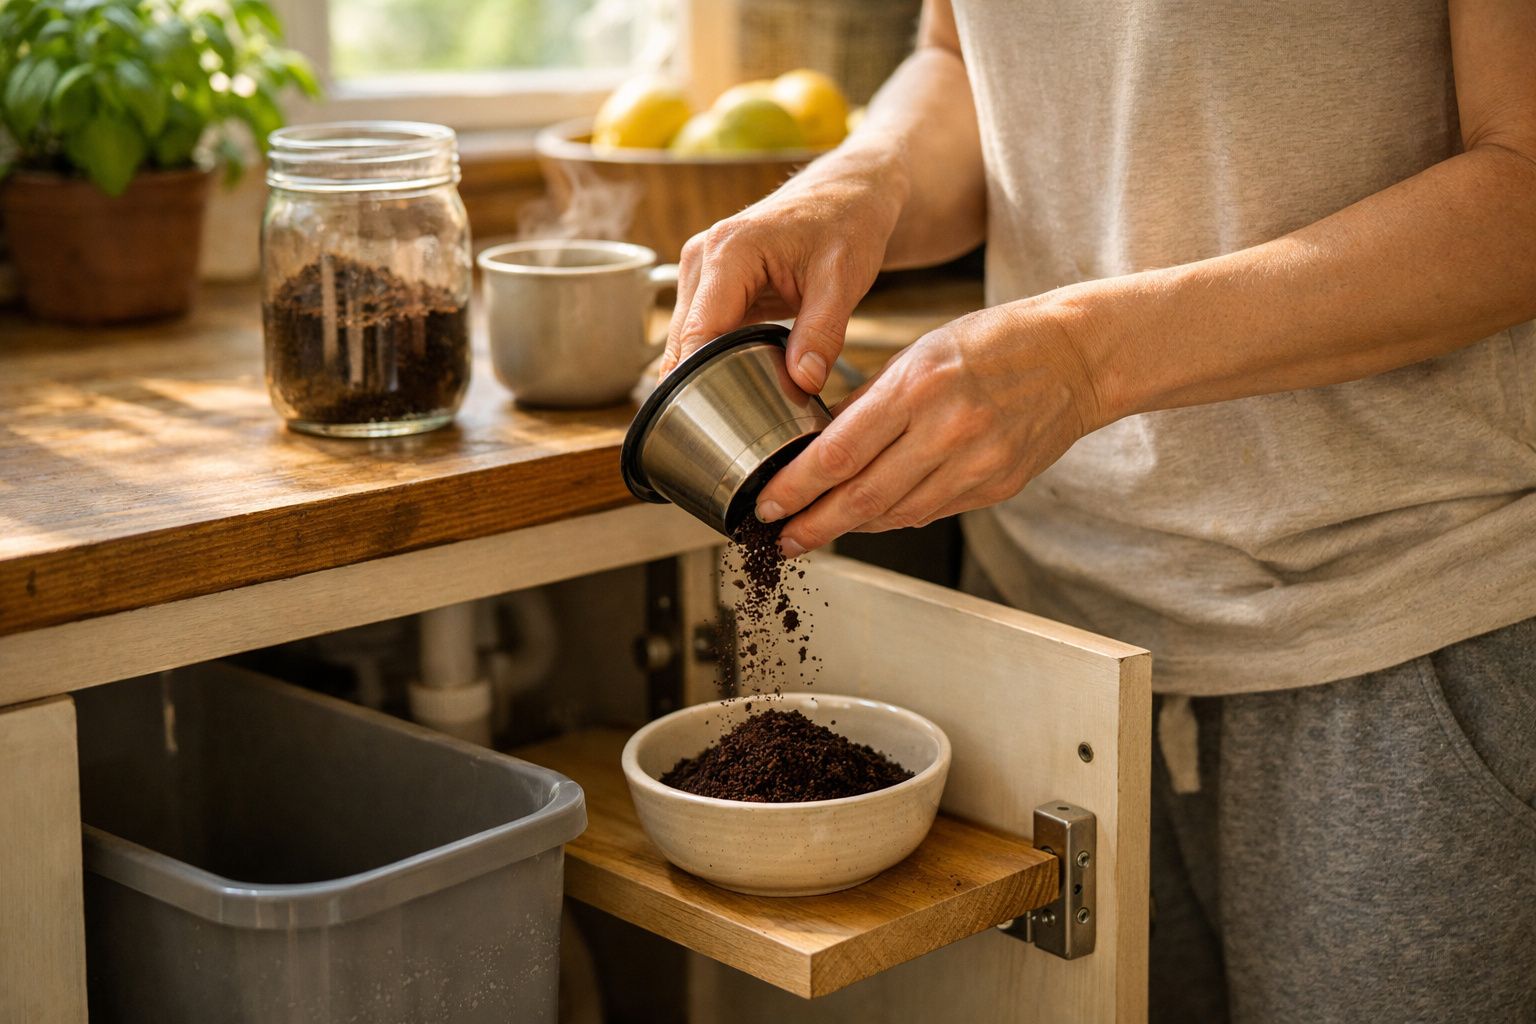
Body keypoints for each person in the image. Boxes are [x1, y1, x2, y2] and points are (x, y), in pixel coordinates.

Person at [659, 1, 1536, 1020]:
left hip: (1398, 631)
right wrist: (860, 183)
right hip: (1039, 643)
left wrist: (1088, 355)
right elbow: (964, 62)